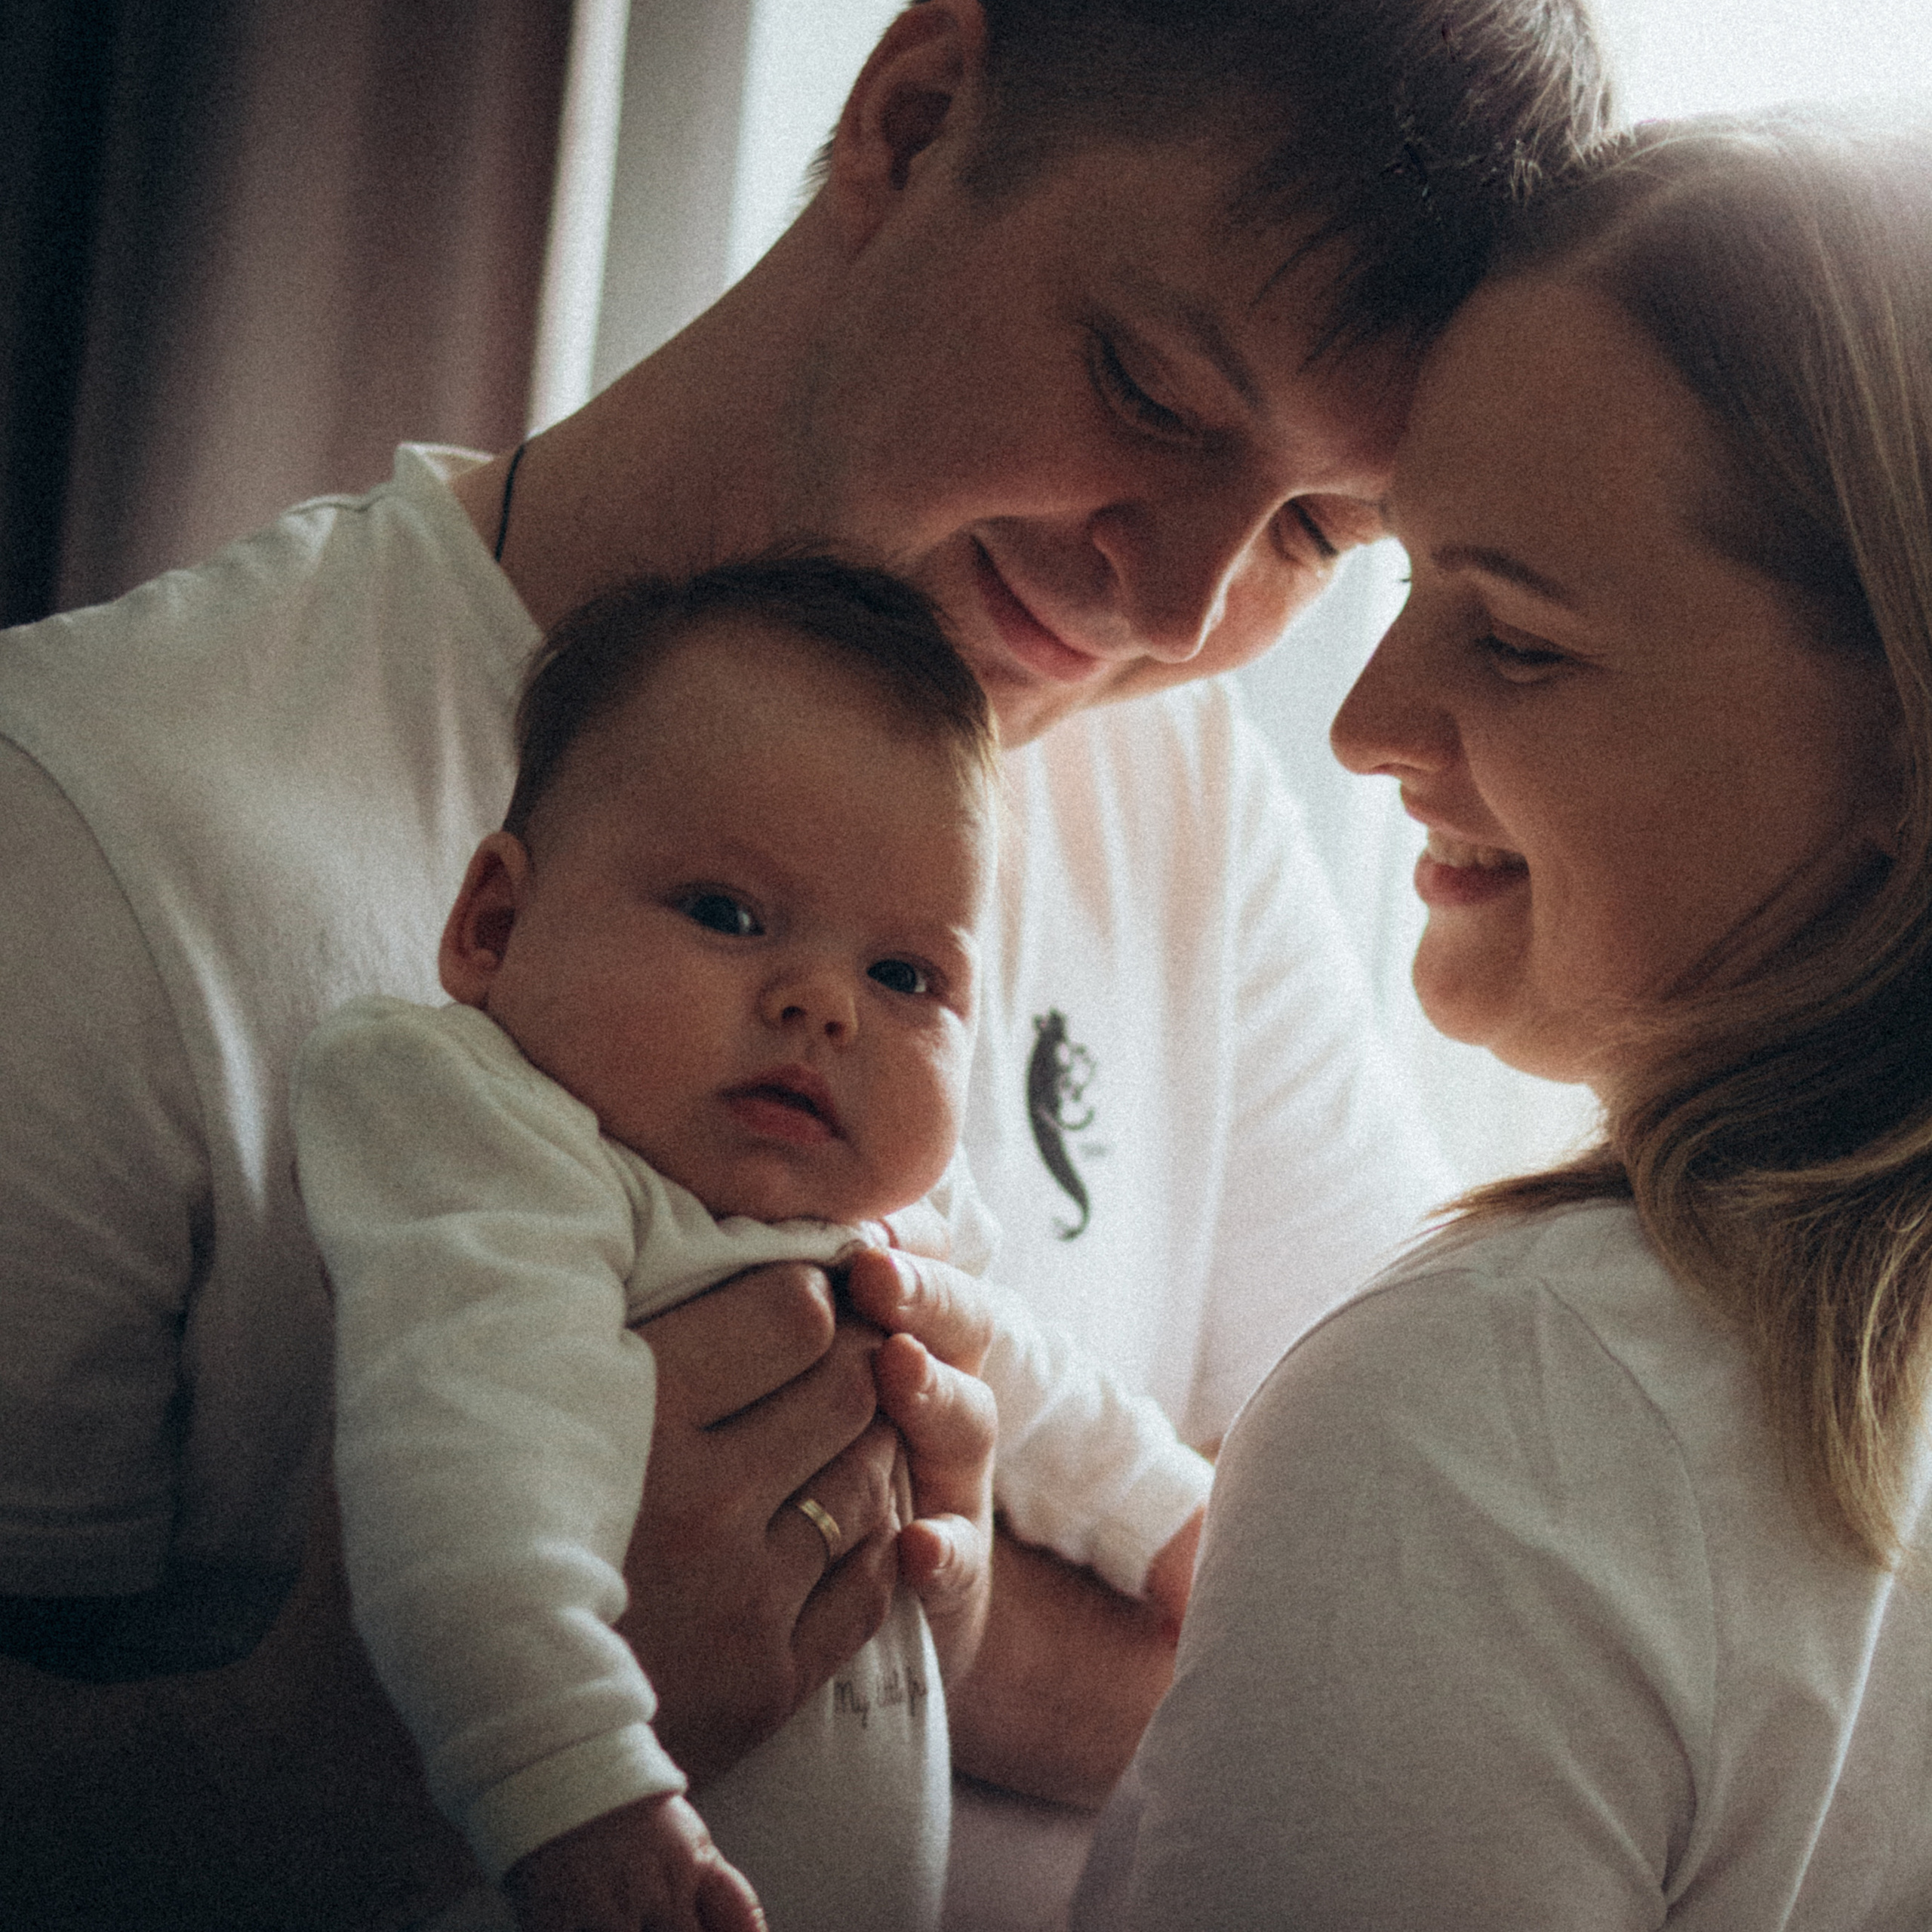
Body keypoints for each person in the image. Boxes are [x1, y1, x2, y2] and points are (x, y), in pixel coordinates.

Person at [0, 2, 1610, 1924]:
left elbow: (1385, 1626)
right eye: (1152, 398)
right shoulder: (98, 823)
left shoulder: (1169, 790)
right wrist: (370, 1737)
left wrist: (931, 1605)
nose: (1174, 602)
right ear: (911, 115)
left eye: (1310, 531)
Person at [1072, 110, 1932, 1928]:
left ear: (1901, 752)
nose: (1364, 722)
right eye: (1396, 580)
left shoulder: (1492, 1421)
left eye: (1518, 638)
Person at [297, 557, 1208, 1932]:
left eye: (907, 976)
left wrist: (1182, 1524)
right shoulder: (509, 1153)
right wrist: (577, 1790)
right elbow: (463, 1480)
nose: (820, 1007)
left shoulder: (881, 1213)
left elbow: (1028, 1378)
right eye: (728, 914)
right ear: (496, 924)